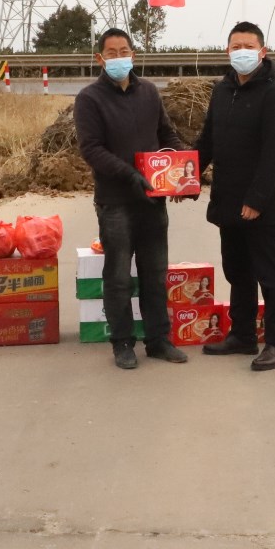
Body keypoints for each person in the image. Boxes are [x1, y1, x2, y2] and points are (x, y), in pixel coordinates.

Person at [74, 28, 193, 370]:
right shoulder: (90, 99)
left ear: (133, 55)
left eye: (124, 51)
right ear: (100, 59)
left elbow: (166, 134)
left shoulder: (149, 93)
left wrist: (183, 172)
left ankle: (158, 340)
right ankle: (122, 341)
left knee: (155, 273)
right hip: (116, 202)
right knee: (118, 276)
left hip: (153, 200)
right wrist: (130, 175)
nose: (118, 58)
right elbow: (92, 149)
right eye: (111, 53)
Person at [196, 21, 275, 371]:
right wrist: (187, 177)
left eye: (249, 47)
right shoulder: (222, 90)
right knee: (237, 271)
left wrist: (256, 199)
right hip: (227, 199)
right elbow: (208, 140)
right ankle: (242, 334)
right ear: (227, 51)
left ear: (262, 52)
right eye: (236, 47)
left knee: (269, 273)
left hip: (260, 204)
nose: (242, 52)